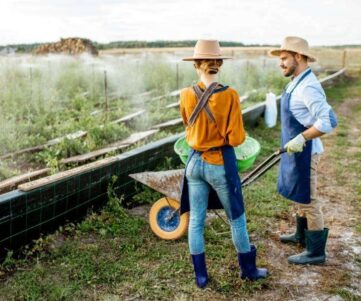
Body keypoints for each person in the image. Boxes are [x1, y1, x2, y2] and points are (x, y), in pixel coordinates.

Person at [179, 39, 268, 288]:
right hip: (219, 162)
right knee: (236, 218)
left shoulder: (186, 94)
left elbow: (187, 125)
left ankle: (201, 276)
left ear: (196, 64)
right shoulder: (229, 95)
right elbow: (236, 138)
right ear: (218, 63)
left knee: (196, 221)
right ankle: (248, 270)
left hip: (194, 163)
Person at [269, 36, 338, 265]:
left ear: (298, 57)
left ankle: (316, 251)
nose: (281, 63)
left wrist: (302, 138)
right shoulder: (296, 80)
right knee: (298, 194)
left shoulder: (308, 86)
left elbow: (329, 120)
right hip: (295, 150)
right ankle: (300, 235)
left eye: (284, 58)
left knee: (309, 199)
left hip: (307, 152)